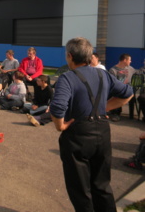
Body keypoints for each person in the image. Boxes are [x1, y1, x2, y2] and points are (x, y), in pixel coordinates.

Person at [50, 37, 133, 212]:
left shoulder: (67, 78)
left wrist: (60, 126)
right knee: (102, 185)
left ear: (70, 56)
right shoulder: (103, 74)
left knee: (81, 190)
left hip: (78, 134)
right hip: (102, 132)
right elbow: (128, 93)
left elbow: (57, 107)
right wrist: (104, 108)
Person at [108, 53, 136, 121]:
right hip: (118, 89)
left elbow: (137, 73)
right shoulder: (113, 70)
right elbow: (112, 84)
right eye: (129, 60)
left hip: (128, 89)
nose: (130, 61)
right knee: (115, 93)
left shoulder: (131, 69)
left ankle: (130, 115)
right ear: (125, 60)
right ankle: (115, 114)